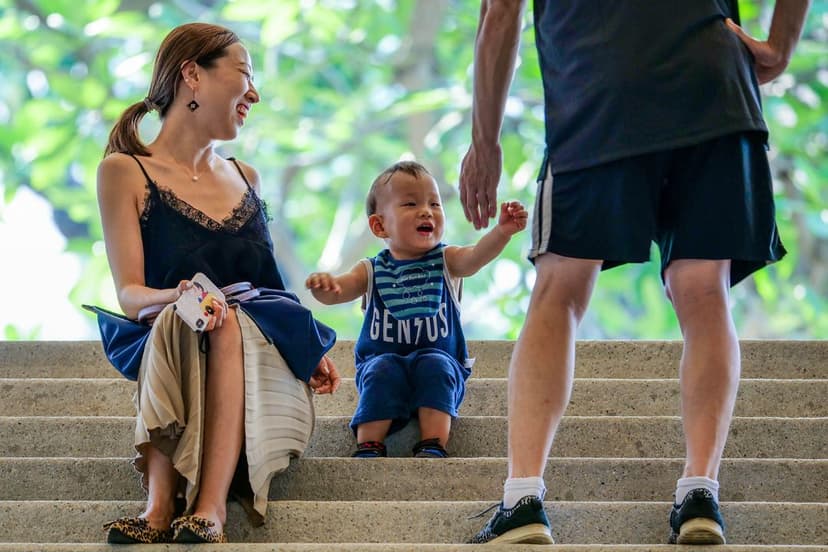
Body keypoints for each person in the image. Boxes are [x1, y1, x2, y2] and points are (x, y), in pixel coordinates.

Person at [460, 0, 810, 545]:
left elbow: (501, 10)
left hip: (598, 87)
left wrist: (485, 143)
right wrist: (782, 46)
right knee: (704, 290)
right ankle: (700, 493)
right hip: (714, 84)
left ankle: (523, 498)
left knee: (561, 288)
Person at [95, 22, 341, 545]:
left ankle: (210, 508)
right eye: (245, 74)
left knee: (224, 319)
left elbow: (273, 288)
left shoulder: (246, 175)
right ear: (193, 75)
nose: (255, 93)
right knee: (188, 313)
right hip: (178, 347)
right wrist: (183, 296)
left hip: (260, 366)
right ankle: (158, 507)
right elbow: (131, 296)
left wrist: (307, 345)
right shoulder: (124, 171)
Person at [305, 161, 527, 458]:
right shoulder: (371, 269)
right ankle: (369, 443)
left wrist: (502, 232)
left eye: (434, 203)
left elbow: (475, 256)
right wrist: (324, 287)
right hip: (383, 362)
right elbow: (339, 291)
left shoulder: (447, 260)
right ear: (380, 225)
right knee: (380, 371)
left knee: (437, 366)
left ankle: (433, 442)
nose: (426, 211)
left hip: (438, 361)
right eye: (411, 204)